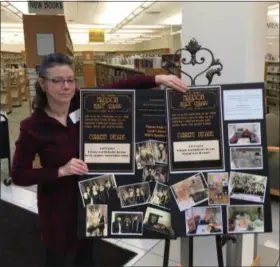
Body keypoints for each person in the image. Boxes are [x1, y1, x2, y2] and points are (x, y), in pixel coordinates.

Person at [11, 52, 187, 266]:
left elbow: (119, 87)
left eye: (70, 80)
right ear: (43, 83)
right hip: (58, 206)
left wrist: (157, 79)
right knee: (58, 258)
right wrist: (60, 170)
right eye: (57, 81)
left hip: (91, 199)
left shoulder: (85, 102)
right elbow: (19, 175)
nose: (66, 87)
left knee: (86, 256)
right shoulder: (33, 127)